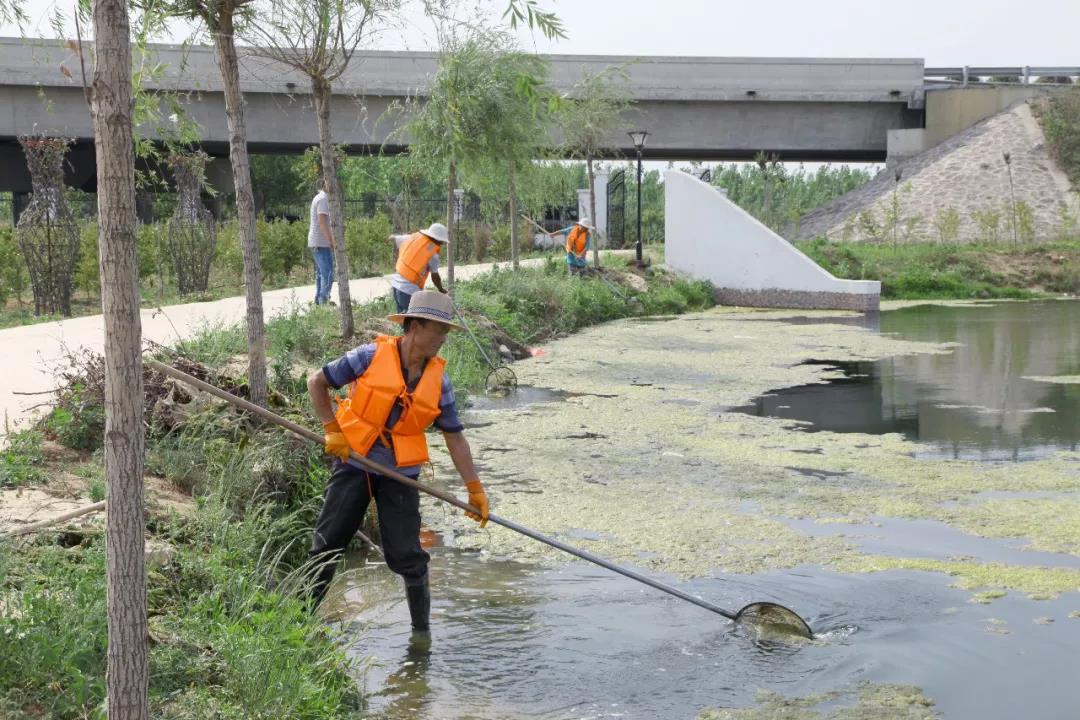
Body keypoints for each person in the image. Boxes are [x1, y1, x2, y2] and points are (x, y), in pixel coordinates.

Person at [306, 290, 490, 633]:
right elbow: (317, 381)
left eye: (446, 332)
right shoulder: (369, 356)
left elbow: (454, 437)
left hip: (401, 474)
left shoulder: (440, 383)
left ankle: (421, 637)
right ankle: (300, 621)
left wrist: (474, 488)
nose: (443, 338)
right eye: (439, 330)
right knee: (328, 543)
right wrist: (332, 430)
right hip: (354, 462)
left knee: (408, 555)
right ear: (415, 326)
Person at [389, 223, 449, 312]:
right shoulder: (433, 254)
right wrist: (441, 289)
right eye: (442, 242)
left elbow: (393, 238)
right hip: (409, 291)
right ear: (438, 239)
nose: (442, 244)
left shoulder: (412, 238)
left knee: (402, 317)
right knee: (414, 318)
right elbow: (435, 276)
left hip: (396, 285)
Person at [308, 178, 336, 305]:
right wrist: (330, 240)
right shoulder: (323, 199)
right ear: (325, 185)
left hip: (317, 242)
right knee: (328, 273)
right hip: (321, 242)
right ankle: (324, 301)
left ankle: (319, 302)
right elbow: (322, 221)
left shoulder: (319, 197)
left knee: (321, 273)